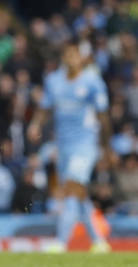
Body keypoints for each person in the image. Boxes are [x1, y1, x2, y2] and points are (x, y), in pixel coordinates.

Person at [28, 41, 113, 253]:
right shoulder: (53, 81)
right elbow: (45, 108)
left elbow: (103, 116)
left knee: (73, 190)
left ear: (81, 58)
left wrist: (107, 148)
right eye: (68, 55)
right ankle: (98, 242)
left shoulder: (93, 82)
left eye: (75, 55)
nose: (71, 59)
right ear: (63, 58)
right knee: (78, 194)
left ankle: (61, 241)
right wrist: (35, 125)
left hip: (85, 144)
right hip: (63, 145)